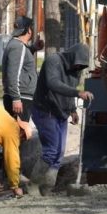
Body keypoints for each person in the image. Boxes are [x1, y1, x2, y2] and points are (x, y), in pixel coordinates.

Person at [31, 43, 93, 193]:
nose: (78, 68)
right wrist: (78, 93)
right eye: (78, 64)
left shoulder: (76, 69)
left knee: (59, 152)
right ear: (72, 57)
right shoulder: (53, 61)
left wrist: (73, 110)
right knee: (51, 151)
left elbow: (70, 88)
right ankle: (32, 185)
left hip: (61, 112)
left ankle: (47, 187)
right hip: (45, 111)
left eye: (81, 66)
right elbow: (53, 83)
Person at [0, 15, 39, 121]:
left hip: (18, 96)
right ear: (29, 30)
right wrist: (16, 98)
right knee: (20, 130)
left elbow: (21, 62)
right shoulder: (18, 47)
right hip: (21, 98)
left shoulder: (15, 44)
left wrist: (33, 48)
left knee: (15, 130)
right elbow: (13, 73)